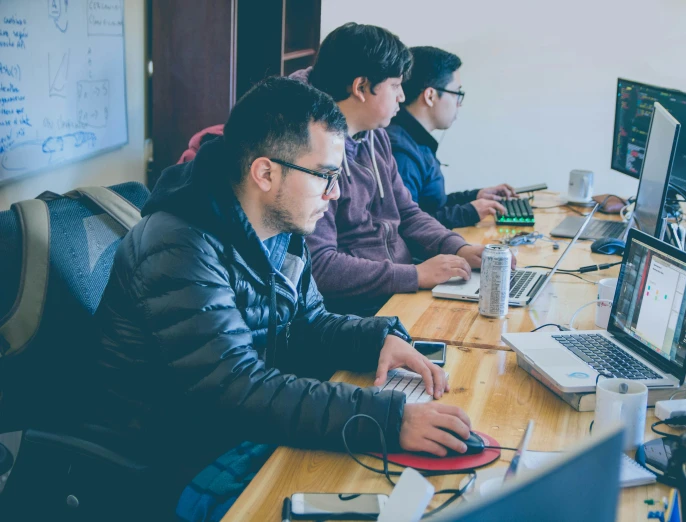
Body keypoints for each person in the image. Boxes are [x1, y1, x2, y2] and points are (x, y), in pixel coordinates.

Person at [92, 77, 472, 521]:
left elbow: (306, 321)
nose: (335, 194)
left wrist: (375, 339)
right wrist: (388, 419)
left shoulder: (280, 225)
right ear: (266, 173)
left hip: (239, 430)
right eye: (326, 177)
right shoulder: (178, 245)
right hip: (172, 457)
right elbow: (235, 387)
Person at [293, 23, 493, 317]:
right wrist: (414, 275)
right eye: (395, 86)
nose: (402, 97)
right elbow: (320, 266)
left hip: (396, 292)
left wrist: (457, 247)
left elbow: (408, 213)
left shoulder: (376, 135)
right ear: (361, 87)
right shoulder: (309, 153)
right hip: (357, 311)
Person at [387, 46, 516, 229]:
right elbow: (407, 226)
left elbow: (429, 204)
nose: (459, 105)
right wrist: (469, 212)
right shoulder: (401, 152)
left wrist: (475, 196)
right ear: (430, 95)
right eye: (457, 94)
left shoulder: (416, 140)